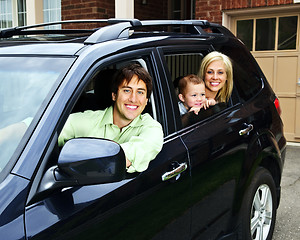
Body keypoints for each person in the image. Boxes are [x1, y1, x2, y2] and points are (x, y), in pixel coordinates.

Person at [58, 64, 164, 173]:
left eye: (140, 92)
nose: (133, 99)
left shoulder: (152, 128)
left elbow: (120, 158)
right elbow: (47, 135)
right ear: (114, 95)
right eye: (127, 90)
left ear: (146, 100)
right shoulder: (86, 120)